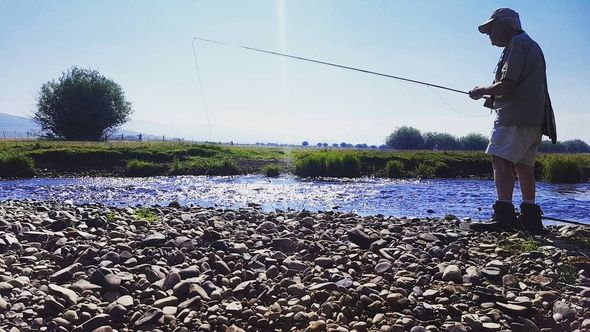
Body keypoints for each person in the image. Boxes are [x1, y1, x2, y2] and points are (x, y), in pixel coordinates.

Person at [468, 8, 556, 234]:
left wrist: (481, 90)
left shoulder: (517, 44)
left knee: (500, 160)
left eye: (491, 28)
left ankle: (504, 216)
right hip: (534, 117)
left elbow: (508, 84)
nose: (489, 34)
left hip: (514, 117)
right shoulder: (529, 44)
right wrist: (492, 97)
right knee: (524, 166)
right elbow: (520, 87)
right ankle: (530, 218)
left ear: (507, 25)